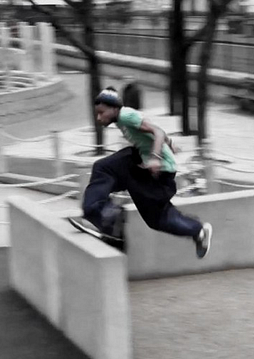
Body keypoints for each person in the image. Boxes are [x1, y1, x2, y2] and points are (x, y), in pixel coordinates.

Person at [71, 87, 212, 258]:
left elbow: (157, 132)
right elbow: (157, 130)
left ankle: (198, 230)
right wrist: (170, 144)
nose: (99, 118)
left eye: (102, 112)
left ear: (114, 108)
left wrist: (155, 157)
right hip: (139, 160)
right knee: (103, 168)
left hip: (156, 172)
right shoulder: (122, 118)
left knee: (158, 218)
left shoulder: (126, 116)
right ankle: (108, 222)